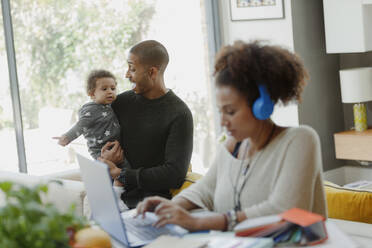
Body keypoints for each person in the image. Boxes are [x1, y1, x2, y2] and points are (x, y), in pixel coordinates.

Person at [135, 40, 327, 232]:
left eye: (231, 112)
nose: (223, 122)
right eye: (221, 112)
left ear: (261, 106)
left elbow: (284, 211)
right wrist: (170, 206)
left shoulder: (300, 140)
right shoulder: (232, 146)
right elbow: (205, 190)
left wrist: (199, 223)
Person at [100, 40, 193, 209]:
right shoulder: (121, 103)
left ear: (152, 72)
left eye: (132, 68)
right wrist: (105, 157)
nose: (127, 74)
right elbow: (100, 137)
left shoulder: (180, 114)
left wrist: (122, 175)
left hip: (150, 208)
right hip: (112, 199)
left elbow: (175, 174)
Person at [53, 69, 120, 160]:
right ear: (92, 94)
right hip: (100, 151)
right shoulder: (91, 110)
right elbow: (81, 125)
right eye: (104, 89)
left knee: (124, 169)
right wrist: (67, 137)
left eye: (113, 88)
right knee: (110, 171)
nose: (110, 92)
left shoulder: (109, 105)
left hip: (114, 147)